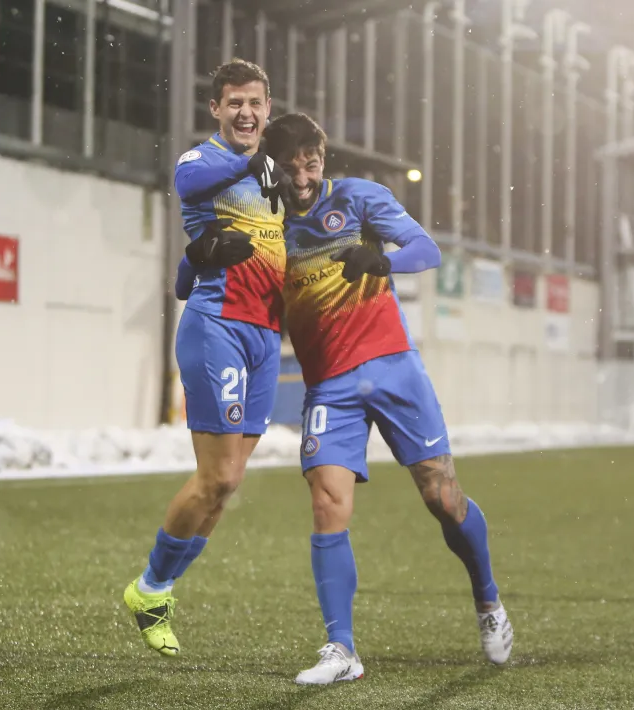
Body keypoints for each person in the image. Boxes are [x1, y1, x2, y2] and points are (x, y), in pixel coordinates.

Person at [259, 113, 514, 684]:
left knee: (443, 498)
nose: (303, 177)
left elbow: (427, 251)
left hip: (395, 370)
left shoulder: (358, 198)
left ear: (322, 160)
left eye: (311, 163)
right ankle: (341, 649)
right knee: (327, 502)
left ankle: (489, 602)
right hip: (330, 384)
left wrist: (382, 260)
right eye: (292, 166)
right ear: (275, 166)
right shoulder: (268, 226)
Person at [122, 58, 297, 657]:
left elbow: (232, 251)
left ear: (267, 108)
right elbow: (191, 188)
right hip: (217, 326)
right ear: (217, 110)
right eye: (235, 103)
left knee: (228, 486)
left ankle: (159, 589)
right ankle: (148, 588)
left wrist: (190, 264)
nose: (246, 112)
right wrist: (198, 266)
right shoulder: (202, 160)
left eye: (256, 103)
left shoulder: (271, 171)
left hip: (264, 338)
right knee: (217, 475)